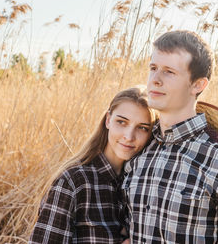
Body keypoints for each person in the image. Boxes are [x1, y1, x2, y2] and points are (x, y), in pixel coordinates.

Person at [122, 31, 218, 243]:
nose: (155, 80)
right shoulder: (138, 150)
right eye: (153, 68)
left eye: (169, 72)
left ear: (198, 85)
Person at [29, 86, 156, 244]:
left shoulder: (142, 184)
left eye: (142, 128)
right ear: (108, 120)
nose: (129, 136)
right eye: (122, 122)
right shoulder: (73, 182)